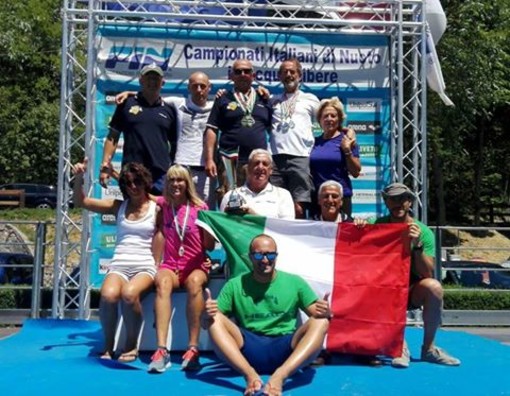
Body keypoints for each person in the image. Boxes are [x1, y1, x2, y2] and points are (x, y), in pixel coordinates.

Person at [203, 234, 330, 396]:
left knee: (321, 321)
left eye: (270, 254)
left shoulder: (294, 282)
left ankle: (281, 376)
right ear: (250, 257)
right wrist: (206, 314)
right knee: (214, 318)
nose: (265, 260)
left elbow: (318, 313)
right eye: (259, 255)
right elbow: (206, 324)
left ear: (276, 255)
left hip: (286, 348)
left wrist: (326, 311)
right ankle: (250, 375)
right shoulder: (234, 285)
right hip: (248, 347)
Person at [73, 159, 158, 362]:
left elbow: (179, 205)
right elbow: (81, 202)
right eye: (128, 184)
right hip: (119, 265)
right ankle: (109, 345)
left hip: (145, 266)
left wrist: (115, 173)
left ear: (145, 182)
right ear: (123, 187)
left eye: (137, 181)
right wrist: (79, 178)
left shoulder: (157, 207)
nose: (133, 187)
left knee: (129, 295)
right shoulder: (117, 206)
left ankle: (131, 344)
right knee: (108, 296)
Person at [369, 182, 461, 368]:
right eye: (392, 199)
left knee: (434, 287)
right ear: (386, 202)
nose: (398, 203)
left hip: (411, 288)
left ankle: (429, 348)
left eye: (402, 198)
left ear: (410, 202)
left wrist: (417, 246)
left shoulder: (423, 231)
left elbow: (427, 272)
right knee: (385, 289)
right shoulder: (375, 225)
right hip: (383, 288)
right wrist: (359, 225)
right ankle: (399, 346)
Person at [148, 164, 215, 373]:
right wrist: (114, 173)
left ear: (187, 184)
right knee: (162, 281)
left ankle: (193, 348)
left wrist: (208, 231)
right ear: (167, 184)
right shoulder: (165, 205)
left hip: (195, 265)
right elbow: (144, 194)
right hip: (171, 265)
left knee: (195, 283)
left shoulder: (201, 208)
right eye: (172, 180)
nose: (176, 184)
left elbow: (210, 246)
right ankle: (161, 350)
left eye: (180, 180)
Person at [115, 71, 216, 207]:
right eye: (195, 86)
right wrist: (129, 93)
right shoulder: (177, 103)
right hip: (181, 168)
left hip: (205, 170)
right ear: (188, 88)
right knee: (176, 209)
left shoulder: (216, 106)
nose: (199, 90)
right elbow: (150, 94)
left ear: (209, 87)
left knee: (203, 211)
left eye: (203, 86)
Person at [100, 63, 177, 195]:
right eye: (148, 78)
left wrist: (172, 169)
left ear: (162, 82)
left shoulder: (169, 109)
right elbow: (113, 136)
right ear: (141, 80)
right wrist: (105, 164)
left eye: (156, 78)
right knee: (132, 214)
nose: (152, 82)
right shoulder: (125, 104)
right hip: (132, 172)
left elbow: (175, 144)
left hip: (160, 175)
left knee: (159, 214)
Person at [204, 59, 272, 194]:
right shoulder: (223, 98)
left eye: (246, 71)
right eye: (238, 71)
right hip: (229, 159)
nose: (242, 74)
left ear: (253, 75)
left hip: (257, 162)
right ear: (231, 76)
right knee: (229, 201)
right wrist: (209, 159)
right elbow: (212, 129)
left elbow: (272, 129)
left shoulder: (263, 98)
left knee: (256, 200)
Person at [269, 59, 320, 218]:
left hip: (300, 157)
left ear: (300, 75)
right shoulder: (273, 100)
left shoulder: (310, 99)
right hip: (275, 159)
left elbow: (328, 119)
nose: (289, 75)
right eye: (285, 72)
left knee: (299, 207)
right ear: (279, 76)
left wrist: (346, 132)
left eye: (292, 72)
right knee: (275, 207)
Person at [309, 97, 361, 217]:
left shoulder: (347, 139)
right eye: (325, 116)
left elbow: (356, 172)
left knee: (341, 234)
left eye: (333, 116)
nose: (329, 119)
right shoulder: (313, 142)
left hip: (340, 198)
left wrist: (347, 150)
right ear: (320, 120)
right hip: (318, 198)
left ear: (339, 119)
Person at [220, 149, 295, 219]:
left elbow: (286, 227)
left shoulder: (283, 195)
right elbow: (222, 225)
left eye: (265, 164)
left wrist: (250, 213)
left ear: (271, 170)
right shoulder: (230, 196)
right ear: (248, 168)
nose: (260, 167)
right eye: (256, 163)